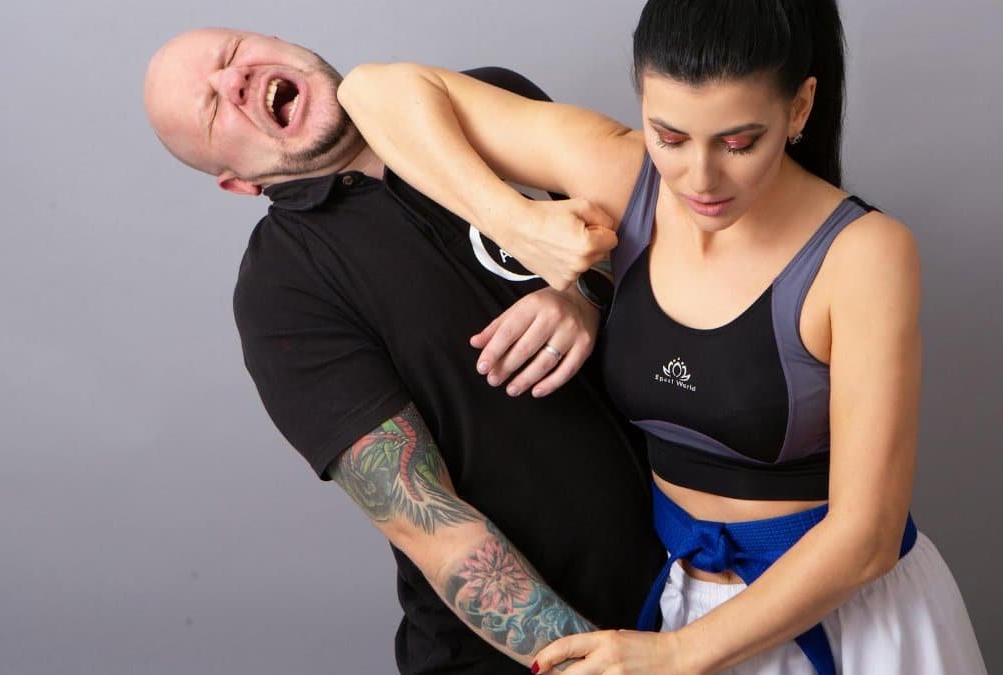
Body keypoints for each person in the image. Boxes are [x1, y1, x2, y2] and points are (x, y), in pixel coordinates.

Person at [335, 0, 988, 673]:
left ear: (798, 110)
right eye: (669, 137)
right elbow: (369, 91)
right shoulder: (625, 178)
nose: (699, 180)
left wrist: (677, 654)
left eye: (739, 143)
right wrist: (517, 225)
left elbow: (868, 536)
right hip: (682, 606)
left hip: (844, 620)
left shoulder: (863, 254)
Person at [142, 28, 664, 675]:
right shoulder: (281, 288)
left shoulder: (487, 101)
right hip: (536, 658)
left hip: (703, 587)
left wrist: (585, 294)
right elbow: (433, 527)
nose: (236, 80)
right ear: (237, 184)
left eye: (232, 54)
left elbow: (657, 240)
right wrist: (610, 667)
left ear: (280, 43)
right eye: (213, 106)